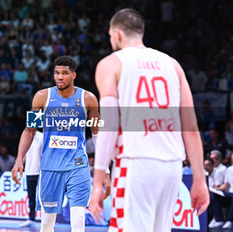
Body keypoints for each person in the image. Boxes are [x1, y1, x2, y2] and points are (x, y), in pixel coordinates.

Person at [90, 9, 209, 232]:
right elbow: (191, 129)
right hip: (172, 166)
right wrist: (200, 180)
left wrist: (98, 179)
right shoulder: (173, 65)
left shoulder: (111, 64)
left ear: (116, 34)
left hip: (136, 163)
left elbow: (110, 124)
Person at [12, 56, 110, 232]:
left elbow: (97, 135)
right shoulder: (42, 97)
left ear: (73, 75)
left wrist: (106, 171)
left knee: (78, 220)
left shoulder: (88, 99)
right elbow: (30, 131)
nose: (59, 77)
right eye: (57, 73)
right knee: (47, 224)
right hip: (50, 166)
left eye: (64, 73)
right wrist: (19, 159)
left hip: (78, 164)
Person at [19, 131, 43, 227]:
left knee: (43, 196)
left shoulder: (42, 136)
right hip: (29, 171)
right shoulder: (25, 135)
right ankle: (31, 218)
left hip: (41, 171)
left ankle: (45, 219)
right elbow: (23, 153)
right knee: (31, 197)